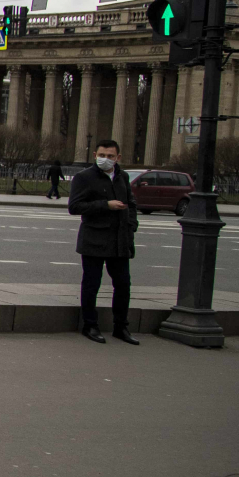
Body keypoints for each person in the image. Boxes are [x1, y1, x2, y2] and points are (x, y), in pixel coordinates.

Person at [68, 139, 139, 345]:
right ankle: (90, 325)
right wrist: (105, 205)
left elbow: (131, 204)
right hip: (94, 239)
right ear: (94, 156)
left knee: (123, 285)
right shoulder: (84, 177)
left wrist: (132, 225)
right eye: (101, 155)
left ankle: (121, 327)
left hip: (120, 239)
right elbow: (75, 207)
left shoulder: (122, 176)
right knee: (92, 284)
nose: (105, 159)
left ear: (118, 158)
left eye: (110, 156)